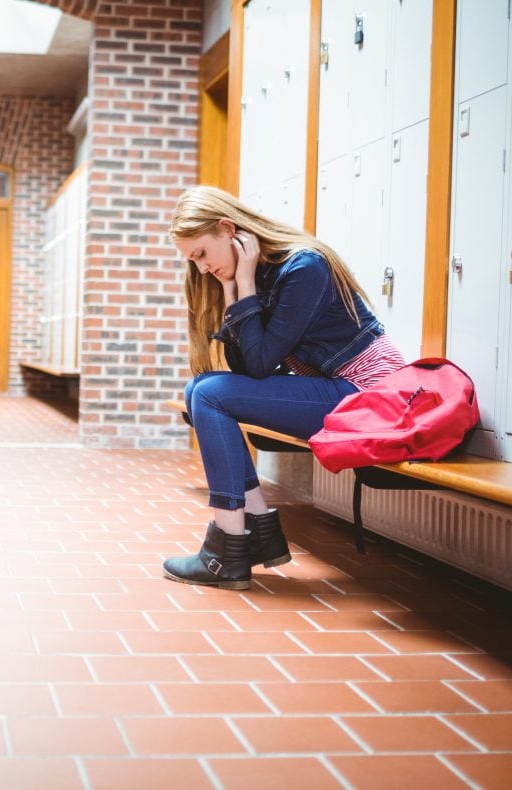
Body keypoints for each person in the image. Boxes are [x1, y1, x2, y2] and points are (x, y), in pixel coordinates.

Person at [164, 185, 406, 590]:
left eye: (202, 254)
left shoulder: (304, 268)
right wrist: (235, 290)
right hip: (336, 388)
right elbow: (248, 364)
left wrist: (242, 283)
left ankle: (226, 549)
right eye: (194, 261)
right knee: (199, 390)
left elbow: (258, 365)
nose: (202, 268)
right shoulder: (261, 275)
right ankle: (256, 531)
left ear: (228, 228)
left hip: (368, 397)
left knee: (206, 393)